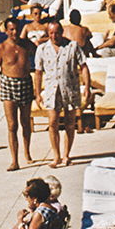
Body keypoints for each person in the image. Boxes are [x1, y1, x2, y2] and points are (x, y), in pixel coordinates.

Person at [34, 19, 88, 168]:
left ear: (61, 32)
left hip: (70, 89)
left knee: (70, 123)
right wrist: (38, 93)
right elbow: (38, 73)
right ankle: (56, 156)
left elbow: (83, 66)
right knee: (53, 122)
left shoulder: (72, 46)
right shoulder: (42, 49)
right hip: (52, 90)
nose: (54, 36)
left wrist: (87, 87)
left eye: (56, 33)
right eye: (51, 33)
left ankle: (66, 155)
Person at [0, 17, 36, 173]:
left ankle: (27, 152)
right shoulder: (2, 48)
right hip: (8, 85)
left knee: (26, 122)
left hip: (25, 83)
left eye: (16, 29)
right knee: (12, 125)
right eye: (11, 29)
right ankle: (14, 160)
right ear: (6, 31)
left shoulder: (27, 45)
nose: (14, 32)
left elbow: (41, 55)